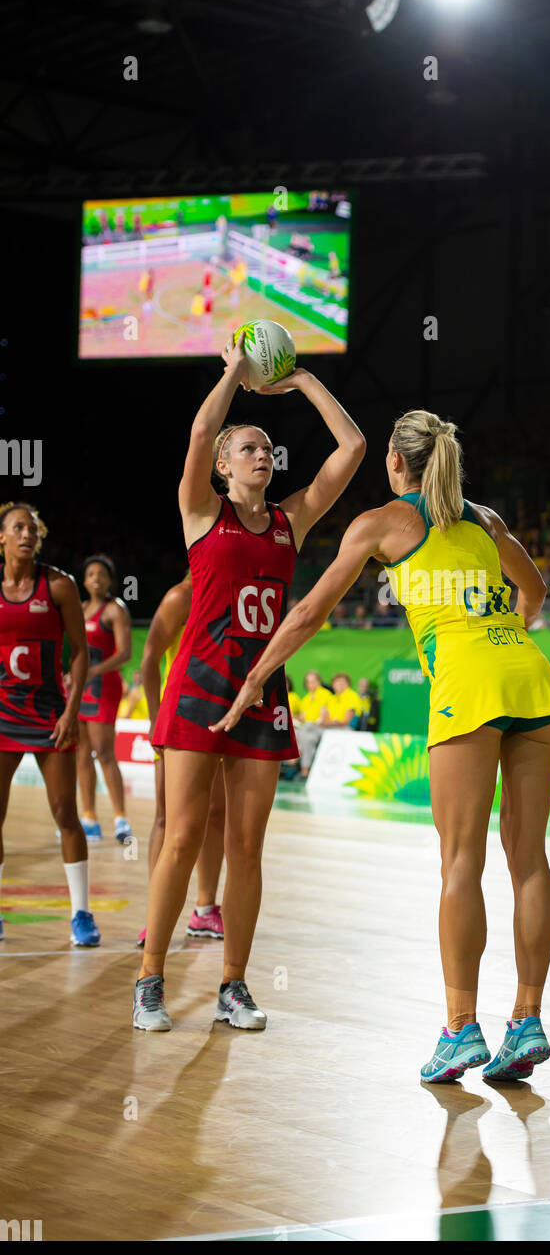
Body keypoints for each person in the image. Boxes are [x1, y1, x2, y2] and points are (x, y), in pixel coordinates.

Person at [210, 410, 550, 1082]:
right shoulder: (487, 520)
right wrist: (505, 634)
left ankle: (461, 1029)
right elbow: (536, 590)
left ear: (396, 464)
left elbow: (309, 612)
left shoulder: (380, 523)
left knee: (459, 863)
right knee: (528, 861)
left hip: (466, 689)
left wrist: (254, 679)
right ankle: (525, 1022)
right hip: (530, 680)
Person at [133, 341, 365, 1031]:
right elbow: (202, 430)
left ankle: (233, 984)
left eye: (266, 448)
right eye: (247, 449)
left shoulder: (290, 521)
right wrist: (235, 372)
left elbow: (351, 448)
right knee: (180, 839)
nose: (261, 455)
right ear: (222, 468)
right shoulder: (202, 511)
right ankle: (150, 979)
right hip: (200, 688)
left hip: (263, 696)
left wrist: (300, 381)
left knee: (245, 848)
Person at [0, 503, 100, 946]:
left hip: (48, 714)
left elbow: (80, 652)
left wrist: (71, 709)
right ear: (2, 537)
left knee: (65, 814)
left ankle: (81, 914)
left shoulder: (58, 585)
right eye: (18, 527)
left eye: (33, 528)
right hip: (2, 714)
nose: (27, 534)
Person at [137, 572, 226, 948]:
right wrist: (157, 720)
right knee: (166, 816)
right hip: (180, 717)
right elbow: (149, 660)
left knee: (217, 814)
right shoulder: (180, 597)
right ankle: (155, 915)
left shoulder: (235, 594)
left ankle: (205, 910)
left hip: (223, 716)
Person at [77, 554, 133, 844]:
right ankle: (89, 818)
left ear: (110, 580)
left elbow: (125, 653)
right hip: (81, 688)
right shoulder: (80, 609)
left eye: (101, 574)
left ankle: (121, 819)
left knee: (105, 753)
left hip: (103, 689)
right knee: (81, 753)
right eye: (91, 574)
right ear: (84, 581)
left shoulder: (115, 610)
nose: (96, 579)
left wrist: (93, 671)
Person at [293, 671, 336, 777]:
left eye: (314, 681)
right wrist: (292, 716)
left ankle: (296, 758)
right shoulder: (306, 698)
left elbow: (329, 715)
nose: (311, 684)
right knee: (304, 736)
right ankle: (304, 769)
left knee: (307, 729)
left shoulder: (326, 694)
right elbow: (302, 718)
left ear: (319, 682)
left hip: (320, 727)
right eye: (309, 682)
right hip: (307, 729)